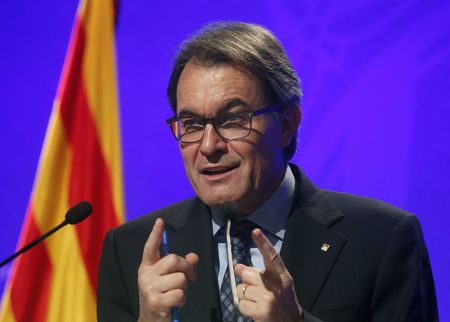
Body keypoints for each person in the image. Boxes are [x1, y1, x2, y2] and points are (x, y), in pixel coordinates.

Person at [97, 22, 438, 322]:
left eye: (233, 120)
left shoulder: (382, 238)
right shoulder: (131, 250)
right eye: (192, 124)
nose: (208, 145)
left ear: (287, 124)